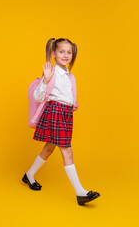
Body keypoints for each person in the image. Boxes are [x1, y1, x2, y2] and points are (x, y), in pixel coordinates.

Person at [22, 38, 100, 206]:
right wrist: (45, 80)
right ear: (54, 53)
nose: (66, 55)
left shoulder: (70, 76)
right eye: (62, 51)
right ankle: (80, 193)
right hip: (55, 113)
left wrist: (72, 104)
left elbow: (66, 95)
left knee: (49, 148)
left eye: (69, 52)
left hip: (65, 113)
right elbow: (38, 96)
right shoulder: (52, 72)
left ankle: (29, 175)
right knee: (67, 151)